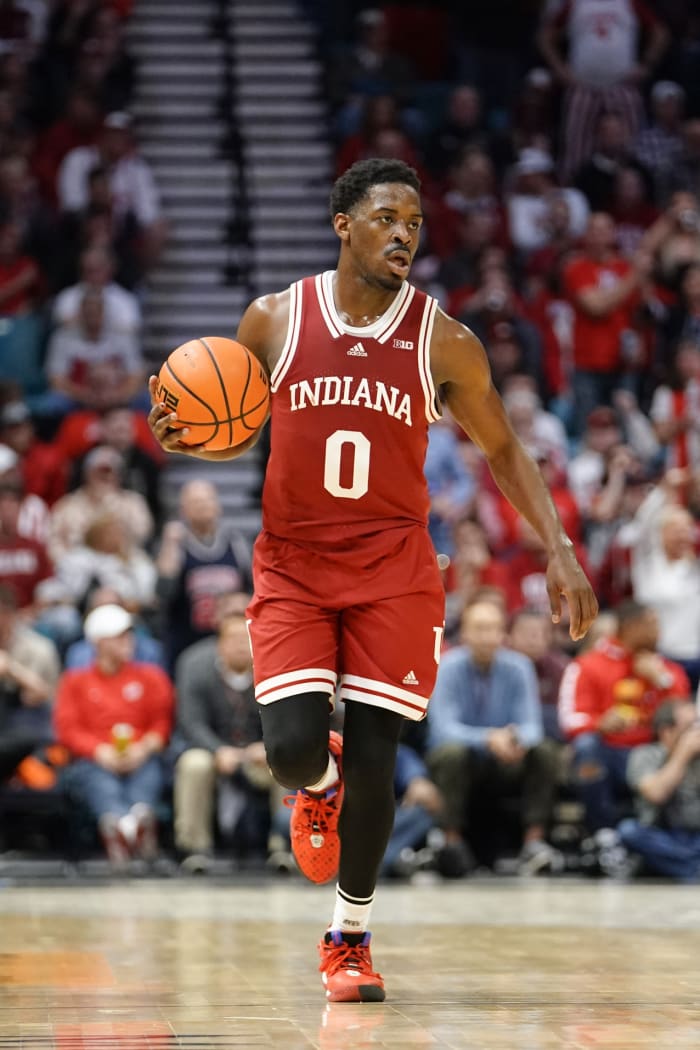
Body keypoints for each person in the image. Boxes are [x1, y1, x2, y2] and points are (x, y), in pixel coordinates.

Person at [147, 158, 597, 1004]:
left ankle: (348, 938)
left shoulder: (444, 339)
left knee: (382, 759)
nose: (404, 234)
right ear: (344, 224)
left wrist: (559, 549)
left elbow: (502, 447)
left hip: (395, 563)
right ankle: (319, 786)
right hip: (295, 561)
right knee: (289, 754)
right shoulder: (275, 319)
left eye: (416, 224)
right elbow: (236, 424)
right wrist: (191, 436)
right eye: (387, 217)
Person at [426, 597, 561, 877]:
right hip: (466, 760)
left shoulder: (519, 667)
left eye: (493, 628)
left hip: (507, 759)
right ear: (464, 632)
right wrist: (489, 738)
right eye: (479, 628)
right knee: (450, 753)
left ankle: (534, 843)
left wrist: (513, 740)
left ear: (503, 633)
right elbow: (443, 729)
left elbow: (532, 726)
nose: (487, 636)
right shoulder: (447, 667)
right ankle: (452, 843)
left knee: (545, 751)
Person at [53, 603, 174, 869]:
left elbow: (162, 723)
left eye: (128, 635)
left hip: (141, 754)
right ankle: (127, 823)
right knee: (93, 774)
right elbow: (68, 730)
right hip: (96, 758)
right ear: (99, 641)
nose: (128, 641)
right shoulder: (75, 681)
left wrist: (143, 747)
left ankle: (125, 825)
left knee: (150, 768)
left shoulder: (151, 677)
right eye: (119, 636)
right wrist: (100, 751)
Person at [558, 599, 689, 834]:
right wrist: (600, 723)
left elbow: (684, 718)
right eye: (652, 624)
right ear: (631, 627)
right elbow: (570, 719)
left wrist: (661, 682)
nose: (659, 631)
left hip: (653, 753)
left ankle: (667, 833)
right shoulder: (588, 665)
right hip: (610, 753)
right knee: (586, 747)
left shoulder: (666, 669)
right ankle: (603, 835)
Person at [173, 611, 270, 872]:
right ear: (219, 645)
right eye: (234, 638)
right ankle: (194, 849)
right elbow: (191, 722)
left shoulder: (272, 670)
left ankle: (285, 847)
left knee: (286, 761)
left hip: (259, 751)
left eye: (247, 638)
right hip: (213, 749)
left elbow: (287, 718)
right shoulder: (196, 668)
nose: (241, 645)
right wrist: (217, 749)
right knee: (194, 764)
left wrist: (269, 746)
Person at [620, 699, 700, 881]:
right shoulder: (644, 755)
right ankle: (693, 869)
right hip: (664, 836)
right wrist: (683, 754)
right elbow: (656, 794)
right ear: (667, 731)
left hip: (697, 838)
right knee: (629, 831)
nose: (696, 732)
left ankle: (685, 869)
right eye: (690, 726)